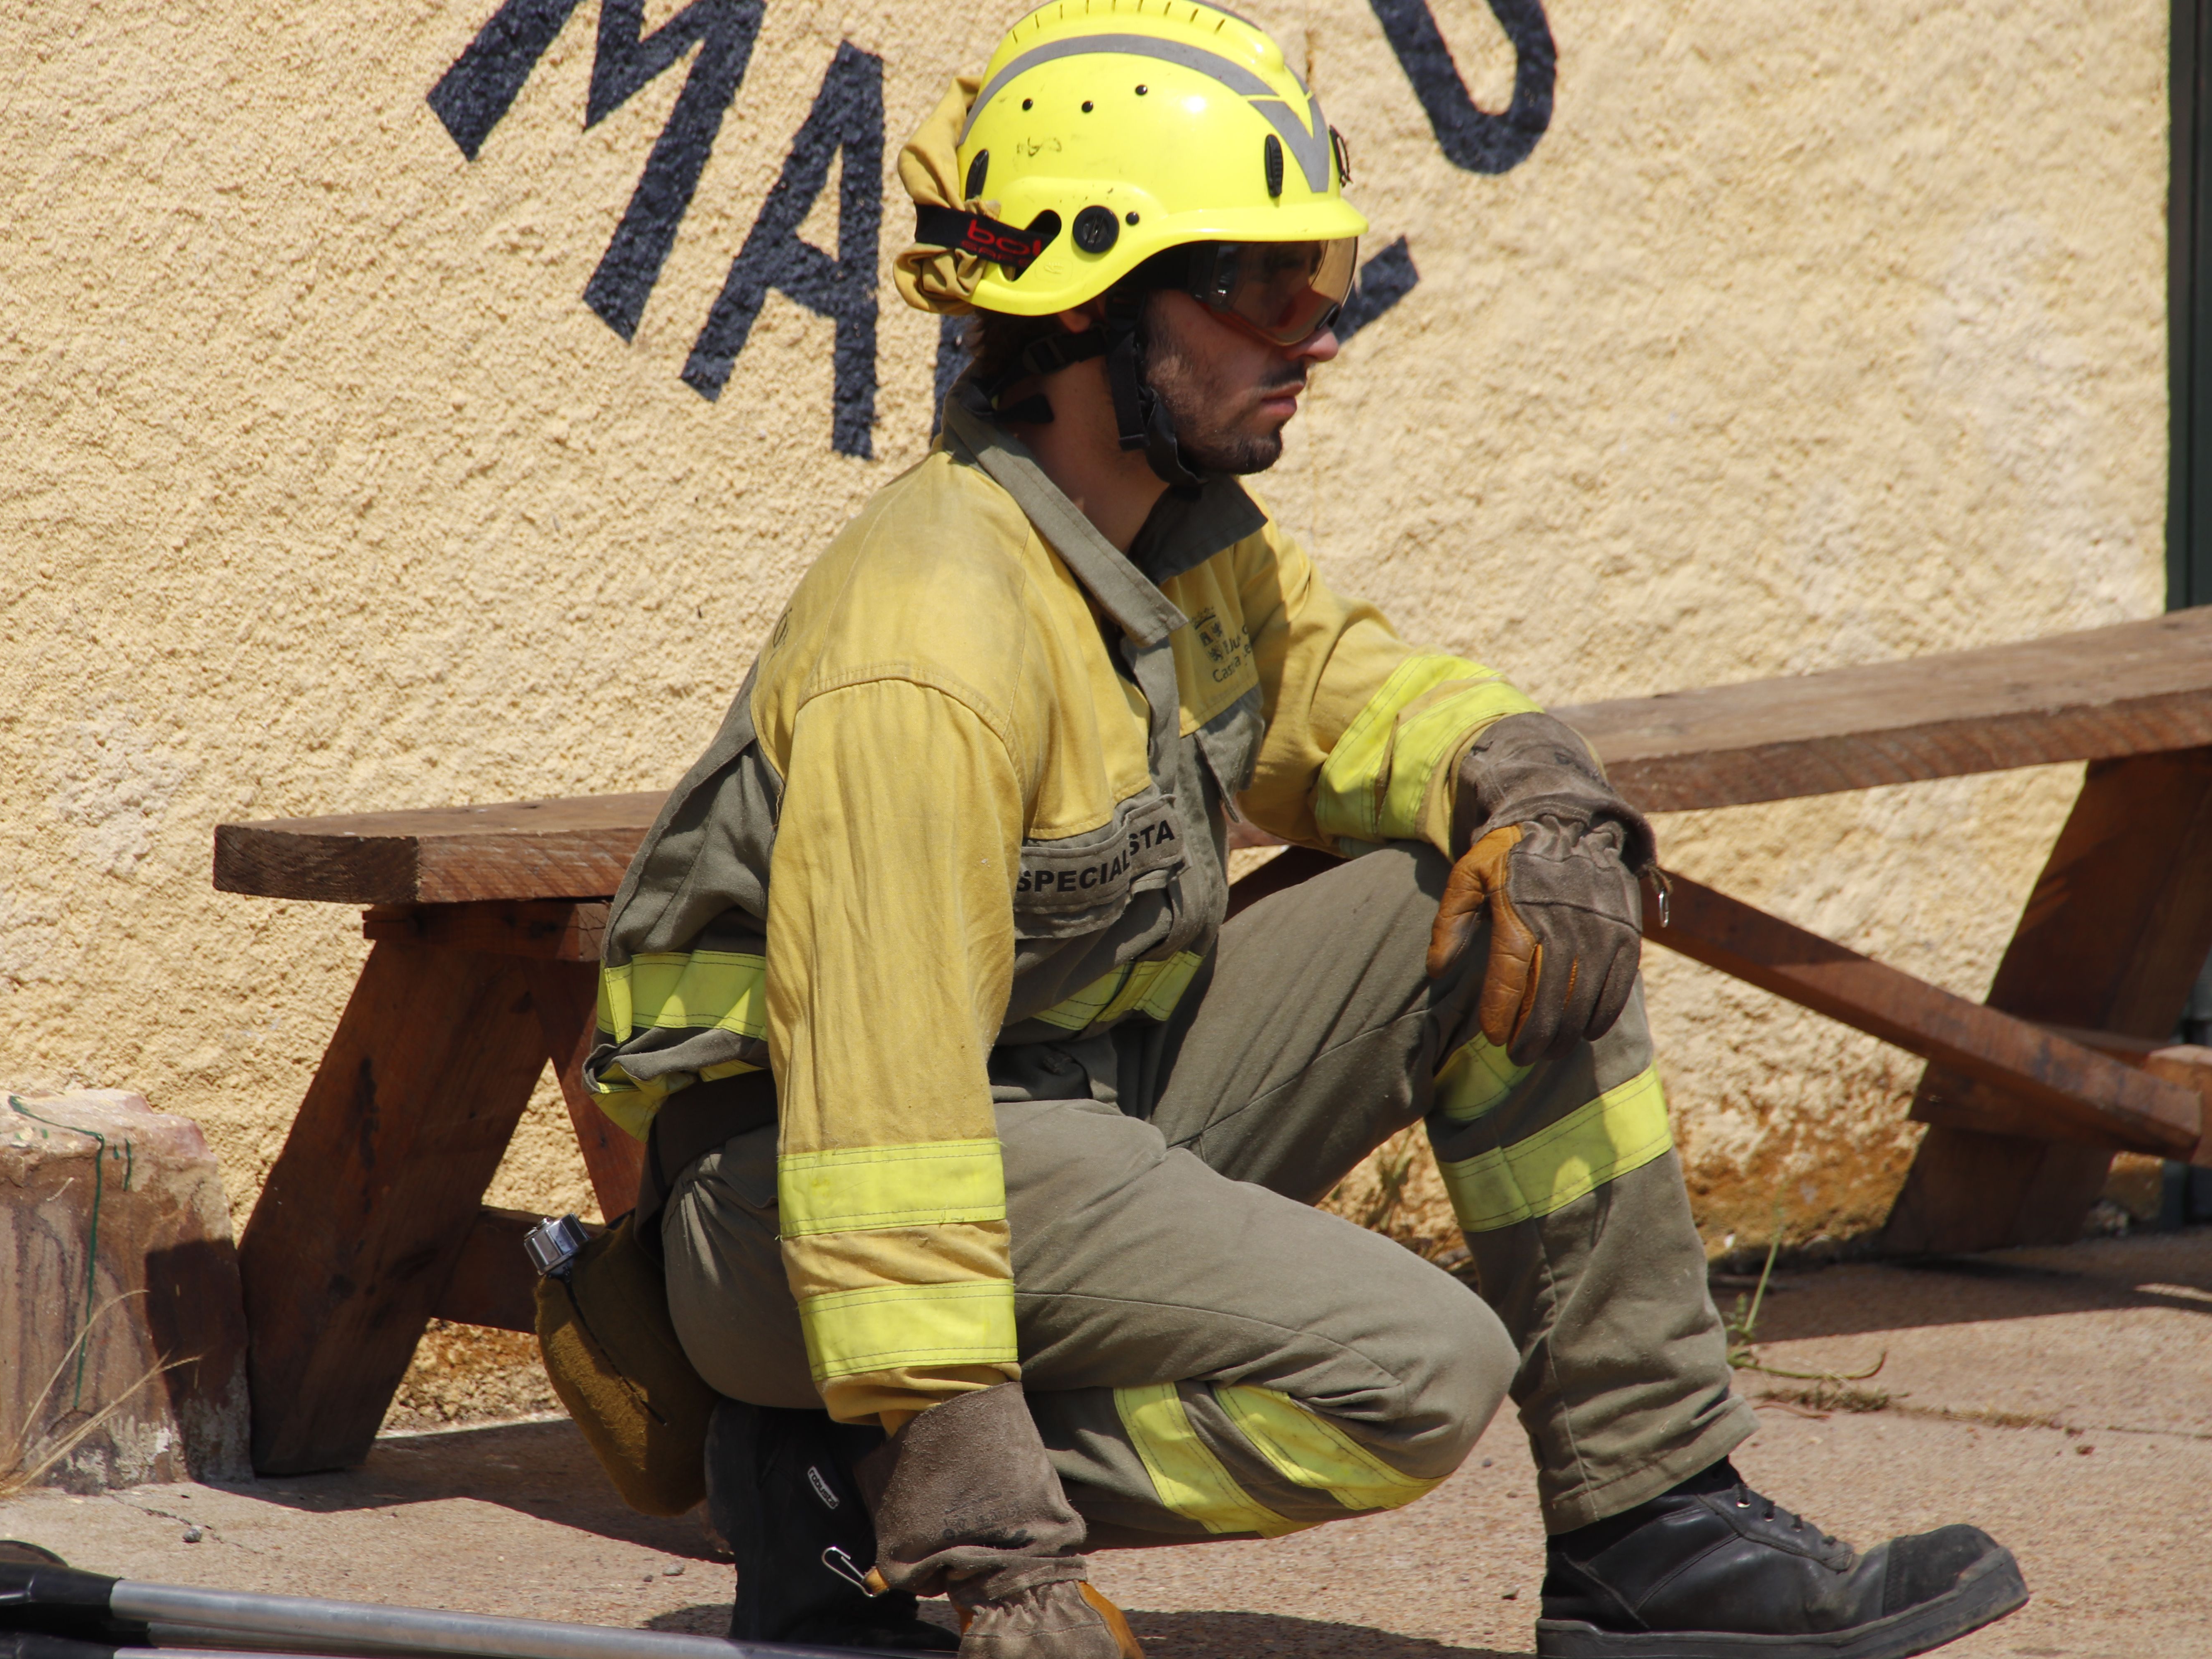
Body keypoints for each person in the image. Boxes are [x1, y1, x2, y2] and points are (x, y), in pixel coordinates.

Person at [584, 7, 2027, 1657]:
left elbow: (1338, 691)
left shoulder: (1160, 542)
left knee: (1498, 901)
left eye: (1324, 283)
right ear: (1097, 306)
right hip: (806, 1210)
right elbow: (883, 1121)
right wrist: (986, 1546)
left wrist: (1533, 786)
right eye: (1267, 290)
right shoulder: (930, 636)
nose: (1317, 336)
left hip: (1056, 1118)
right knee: (1418, 1368)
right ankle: (850, 1499)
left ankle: (1657, 1521)